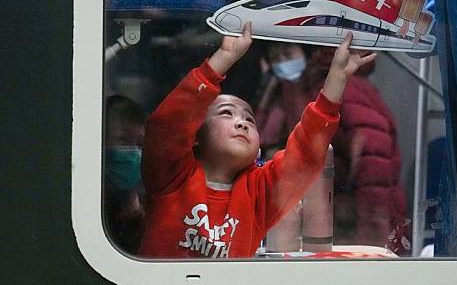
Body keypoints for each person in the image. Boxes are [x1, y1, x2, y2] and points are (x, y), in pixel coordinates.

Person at [138, 22, 376, 258]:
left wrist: (337, 77)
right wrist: (223, 58)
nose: (241, 122)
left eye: (250, 120)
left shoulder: (258, 194)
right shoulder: (171, 176)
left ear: (259, 150)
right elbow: (168, 124)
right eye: (226, 113)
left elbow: (306, 150)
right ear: (196, 135)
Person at [256, 43, 410, 253]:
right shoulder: (282, 91)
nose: (283, 63)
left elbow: (374, 163)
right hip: (304, 225)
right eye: (275, 58)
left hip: (350, 225)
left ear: (307, 50)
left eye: (287, 53)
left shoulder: (347, 88)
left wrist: (374, 239)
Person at [104, 95, 147, 254]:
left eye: (140, 145)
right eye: (124, 142)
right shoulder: (96, 199)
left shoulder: (147, 198)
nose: (135, 153)